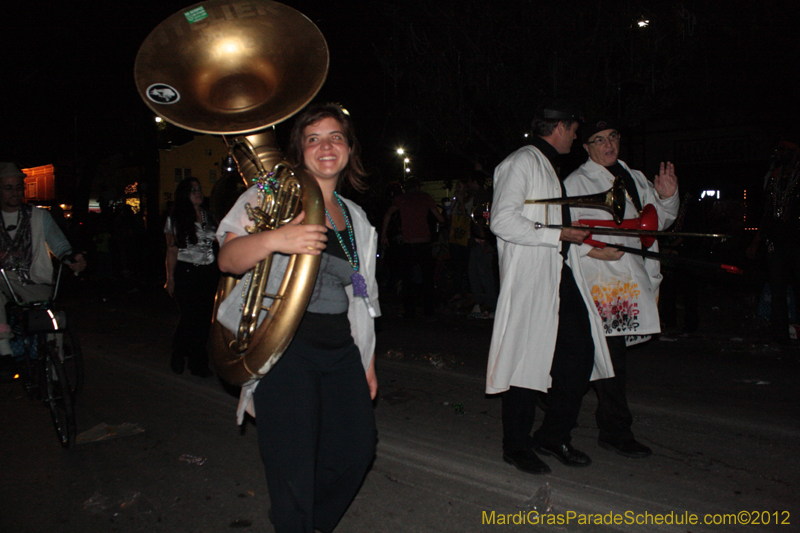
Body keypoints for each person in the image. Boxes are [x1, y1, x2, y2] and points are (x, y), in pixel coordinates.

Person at [216, 103, 379, 533]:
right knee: (292, 470)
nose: (326, 146)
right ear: (299, 150)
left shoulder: (357, 217)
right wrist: (278, 238)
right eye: (313, 139)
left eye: (336, 137)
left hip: (341, 349)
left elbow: (362, 299)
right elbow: (229, 260)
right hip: (286, 349)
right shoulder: (271, 193)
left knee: (356, 453)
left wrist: (368, 363)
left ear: (349, 150)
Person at [486, 101, 614, 475]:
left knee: (579, 355)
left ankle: (553, 434)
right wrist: (558, 234)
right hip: (530, 278)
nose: (576, 135)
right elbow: (502, 222)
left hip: (554, 273)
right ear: (559, 127)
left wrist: (585, 244)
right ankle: (516, 444)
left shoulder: (545, 165)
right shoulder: (521, 162)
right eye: (575, 128)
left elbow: (548, 222)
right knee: (525, 361)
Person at [565, 118, 679, 458]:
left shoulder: (633, 175)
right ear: (586, 147)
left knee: (593, 358)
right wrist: (594, 250)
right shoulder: (576, 183)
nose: (608, 144)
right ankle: (615, 430)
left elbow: (655, 222)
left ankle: (552, 396)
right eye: (598, 140)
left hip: (630, 280)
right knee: (610, 359)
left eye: (612, 136)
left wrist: (667, 198)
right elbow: (561, 235)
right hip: (599, 282)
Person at [0, 162, 86, 378]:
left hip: (34, 282)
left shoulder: (40, 216)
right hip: (3, 282)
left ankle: (55, 377)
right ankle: (4, 351)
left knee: (49, 321)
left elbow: (59, 244)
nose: (14, 193)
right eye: (8, 187)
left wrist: (71, 258)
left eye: (18, 187)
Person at [164, 177, 219, 377]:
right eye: (193, 189)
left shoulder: (210, 216)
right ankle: (178, 353)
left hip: (208, 272)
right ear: (184, 194)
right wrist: (170, 278)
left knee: (204, 320)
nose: (198, 192)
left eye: (199, 188)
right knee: (189, 317)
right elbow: (172, 249)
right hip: (186, 271)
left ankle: (198, 363)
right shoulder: (175, 218)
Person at [746, 140, 800, 345]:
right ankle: (780, 336)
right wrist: (757, 240)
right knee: (778, 288)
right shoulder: (774, 176)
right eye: (780, 150)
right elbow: (768, 211)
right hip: (776, 239)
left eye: (787, 150)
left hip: (797, 237)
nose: (782, 154)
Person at [380, 177, 446, 319]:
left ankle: (409, 311)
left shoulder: (400, 199)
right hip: (424, 242)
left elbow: (388, 214)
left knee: (407, 278)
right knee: (427, 278)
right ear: (418, 187)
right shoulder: (426, 198)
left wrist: (384, 234)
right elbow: (440, 219)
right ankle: (429, 310)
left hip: (408, 243)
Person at [466, 171, 498, 318]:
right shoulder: (484, 195)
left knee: (484, 272)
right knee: (474, 271)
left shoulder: (481, 196)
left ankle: (490, 302)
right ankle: (480, 301)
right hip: (480, 238)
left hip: (481, 239)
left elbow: (480, 218)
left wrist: (482, 238)